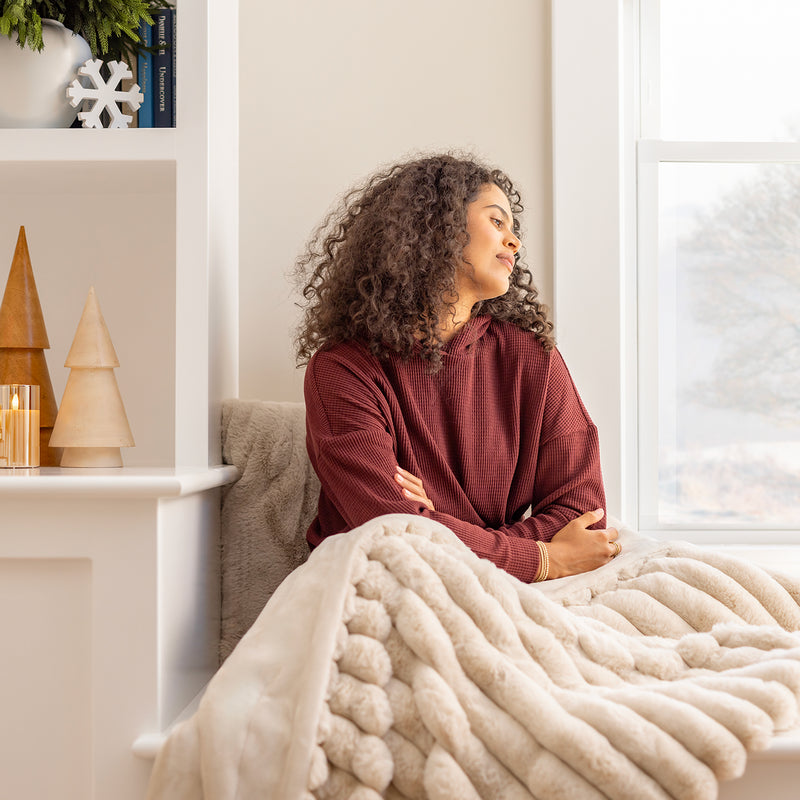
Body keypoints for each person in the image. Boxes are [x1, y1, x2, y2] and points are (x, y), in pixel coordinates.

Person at [294, 152, 619, 583]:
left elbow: (584, 516)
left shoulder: (532, 356)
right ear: (437, 229)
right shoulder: (342, 370)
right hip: (378, 581)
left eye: (513, 228)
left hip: (479, 582)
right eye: (496, 222)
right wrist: (543, 558)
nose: (514, 242)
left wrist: (439, 519)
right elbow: (394, 532)